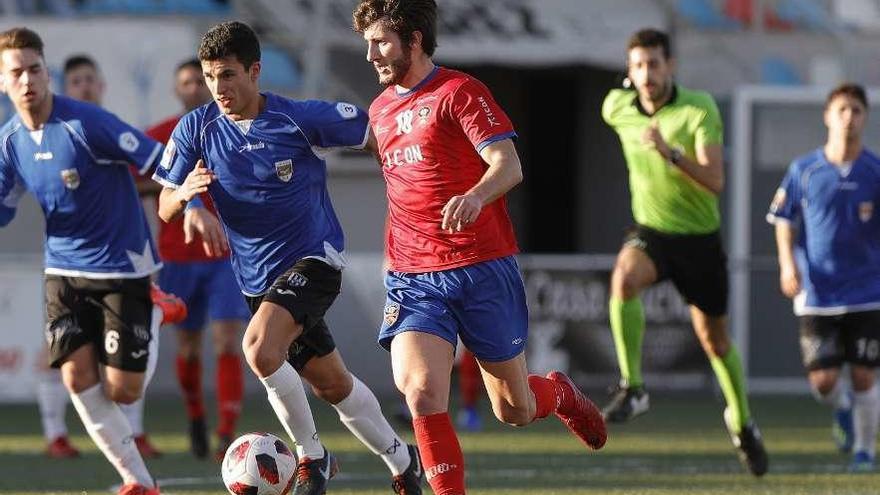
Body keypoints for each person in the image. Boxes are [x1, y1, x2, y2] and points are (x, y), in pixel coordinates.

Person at [153, 21, 423, 495]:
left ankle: (311, 458)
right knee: (331, 385)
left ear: (256, 72)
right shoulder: (196, 127)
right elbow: (165, 202)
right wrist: (188, 203)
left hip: (313, 261)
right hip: (256, 280)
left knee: (257, 349)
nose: (219, 87)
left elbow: (380, 136)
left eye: (229, 75)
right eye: (211, 76)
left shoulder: (298, 118)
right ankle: (404, 462)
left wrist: (418, 188)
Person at [353, 2, 608, 494]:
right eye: (367, 42)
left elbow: (508, 165)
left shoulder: (460, 92)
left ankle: (556, 392)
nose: (370, 55)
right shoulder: (381, 110)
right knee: (422, 391)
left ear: (414, 40)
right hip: (413, 276)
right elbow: (403, 188)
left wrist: (474, 196)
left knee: (514, 409)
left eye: (380, 41)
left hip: (481, 267)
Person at [0, 27, 163, 495]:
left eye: (35, 68)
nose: (28, 79)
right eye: (17, 72)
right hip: (63, 270)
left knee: (124, 391)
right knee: (74, 376)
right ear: (4, 82)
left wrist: (190, 207)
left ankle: (156, 309)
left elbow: (159, 161)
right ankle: (139, 482)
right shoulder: (10, 142)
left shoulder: (88, 123)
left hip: (122, 267)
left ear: (46, 72)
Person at [600, 28, 767, 476]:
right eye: (637, 65)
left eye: (654, 63)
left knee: (715, 340)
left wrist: (670, 153)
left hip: (699, 240)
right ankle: (633, 387)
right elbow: (617, 100)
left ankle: (742, 421)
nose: (646, 74)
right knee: (624, 279)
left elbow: (716, 182)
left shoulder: (699, 108)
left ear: (670, 65)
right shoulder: (616, 107)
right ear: (629, 72)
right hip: (652, 232)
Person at [51, 52, 171, 460]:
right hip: (68, 262)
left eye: (90, 79)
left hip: (125, 258)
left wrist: (186, 204)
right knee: (65, 355)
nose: (84, 86)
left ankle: (134, 433)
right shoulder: (49, 138)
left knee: (124, 375)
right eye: (76, 81)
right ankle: (56, 434)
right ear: (65, 91)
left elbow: (159, 171)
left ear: (101, 85)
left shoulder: (115, 132)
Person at [768, 83, 880, 472]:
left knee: (865, 374)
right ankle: (841, 406)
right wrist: (787, 263)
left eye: (857, 110)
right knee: (824, 383)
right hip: (818, 292)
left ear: (865, 118)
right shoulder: (805, 169)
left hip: (868, 290)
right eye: (842, 110)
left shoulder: (875, 171)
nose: (849, 117)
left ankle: (865, 451)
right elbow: (784, 220)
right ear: (828, 116)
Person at [145, 58, 250, 461]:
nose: (194, 87)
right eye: (186, 81)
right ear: (178, 89)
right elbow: (138, 174)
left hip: (225, 255)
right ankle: (195, 417)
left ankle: (226, 431)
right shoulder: (161, 134)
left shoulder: (231, 129)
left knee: (228, 342)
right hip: (177, 257)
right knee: (187, 348)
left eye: (200, 81)